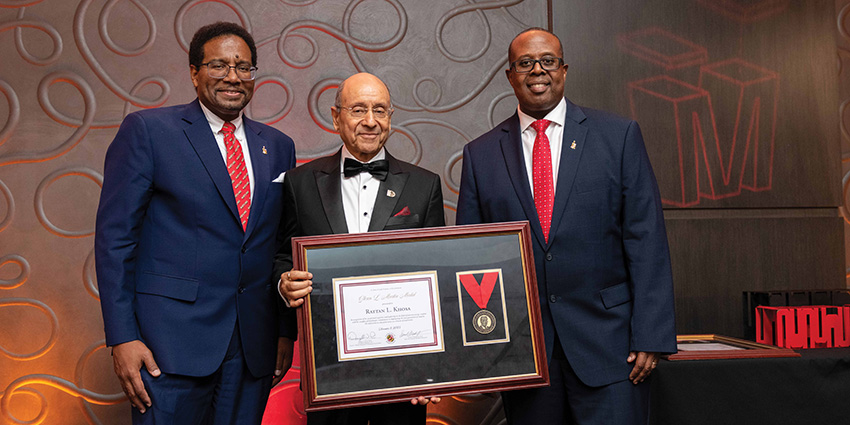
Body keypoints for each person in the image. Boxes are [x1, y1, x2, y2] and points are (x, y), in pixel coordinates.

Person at [455, 28, 677, 425]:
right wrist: (480, 350)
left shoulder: (618, 136)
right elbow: (472, 261)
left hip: (612, 348)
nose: (537, 70)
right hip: (525, 355)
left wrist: (651, 334)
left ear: (564, 70)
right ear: (510, 75)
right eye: (525, 63)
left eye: (548, 61)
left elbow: (646, 239)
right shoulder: (480, 154)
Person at [95, 21, 296, 424]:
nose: (232, 77)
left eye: (243, 67)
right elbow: (115, 240)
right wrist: (122, 336)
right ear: (194, 72)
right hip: (168, 346)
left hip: (251, 347)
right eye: (218, 65)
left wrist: (283, 331)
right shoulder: (150, 131)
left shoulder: (278, 146)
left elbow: (281, 246)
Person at [274, 72, 444, 425]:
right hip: (328, 368)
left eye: (379, 110)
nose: (370, 121)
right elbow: (282, 256)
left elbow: (437, 279)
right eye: (358, 109)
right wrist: (283, 283)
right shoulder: (299, 183)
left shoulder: (424, 186)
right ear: (336, 117)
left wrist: (432, 367)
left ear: (390, 117)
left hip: (403, 370)